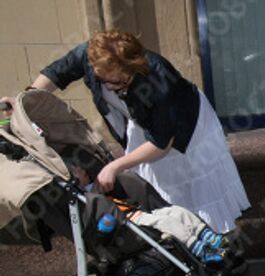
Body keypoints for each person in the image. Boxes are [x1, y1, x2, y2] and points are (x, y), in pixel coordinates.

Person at [20, 30, 249, 233]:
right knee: (152, 189)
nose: (111, 88)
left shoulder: (159, 78)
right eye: (105, 81)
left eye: (120, 82)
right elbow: (55, 74)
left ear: (135, 67)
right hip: (141, 122)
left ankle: (214, 247)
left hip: (186, 127)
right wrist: (24, 105)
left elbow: (161, 143)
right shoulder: (91, 54)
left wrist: (115, 165)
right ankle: (175, 242)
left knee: (195, 189)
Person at [67, 162, 228, 264]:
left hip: (138, 212)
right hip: (128, 224)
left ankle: (209, 237)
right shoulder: (84, 200)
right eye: (76, 169)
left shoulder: (96, 186)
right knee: (167, 224)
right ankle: (199, 249)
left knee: (177, 212)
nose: (81, 168)